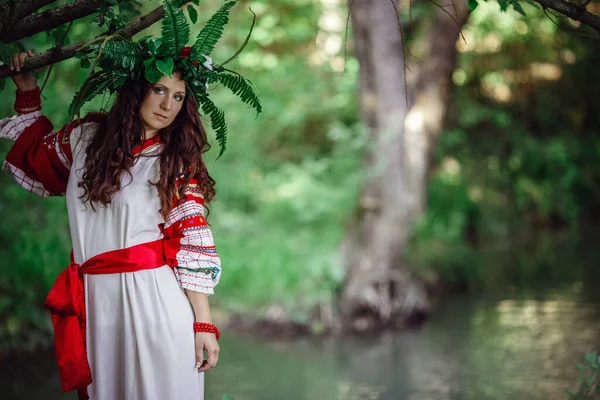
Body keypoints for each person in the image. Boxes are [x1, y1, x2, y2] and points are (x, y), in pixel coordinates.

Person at [0, 49, 222, 400]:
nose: (168, 105)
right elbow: (36, 161)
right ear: (136, 90)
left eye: (178, 96)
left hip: (155, 305)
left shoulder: (175, 162)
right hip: (97, 302)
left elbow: (191, 245)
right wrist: (27, 89)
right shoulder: (85, 139)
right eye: (159, 90)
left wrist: (204, 324)